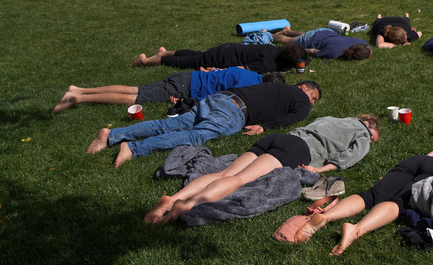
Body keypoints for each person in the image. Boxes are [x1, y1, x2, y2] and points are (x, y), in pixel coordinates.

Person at [295, 130, 433, 253]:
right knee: (401, 203)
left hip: (418, 161)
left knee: (371, 195)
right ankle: (356, 230)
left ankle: (326, 216)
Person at [143, 115, 380, 225]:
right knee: (239, 179)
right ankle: (187, 205)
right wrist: (320, 168)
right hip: (299, 149)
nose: (370, 141)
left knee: (223, 174)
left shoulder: (332, 118)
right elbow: (350, 156)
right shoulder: (362, 134)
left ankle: (172, 198)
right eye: (373, 137)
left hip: (280, 139)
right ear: (368, 127)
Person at [86, 81, 322, 167]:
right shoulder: (301, 98)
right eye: (313, 97)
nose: (311, 103)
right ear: (305, 89)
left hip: (220, 98)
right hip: (235, 112)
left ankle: (112, 135)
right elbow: (295, 117)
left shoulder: (276, 86)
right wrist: (265, 127)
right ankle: (133, 148)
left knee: (170, 125)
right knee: (194, 136)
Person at [53, 68, 281, 113]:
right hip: (185, 86)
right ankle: (77, 98)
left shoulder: (248, 72)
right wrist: (187, 100)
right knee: (134, 97)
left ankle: (81, 90)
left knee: (135, 88)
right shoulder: (249, 85)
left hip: (188, 76)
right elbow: (217, 96)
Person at [131, 43, 306, 74]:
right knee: (192, 62)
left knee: (199, 55)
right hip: (224, 57)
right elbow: (241, 69)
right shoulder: (267, 64)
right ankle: (145, 61)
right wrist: (217, 71)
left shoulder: (276, 50)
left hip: (228, 48)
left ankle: (165, 52)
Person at [272, 27, 371, 60]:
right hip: (311, 40)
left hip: (326, 32)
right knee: (288, 41)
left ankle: (287, 31)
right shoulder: (334, 53)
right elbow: (311, 51)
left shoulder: (361, 42)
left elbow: (369, 50)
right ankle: (267, 36)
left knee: (304, 35)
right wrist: (299, 50)